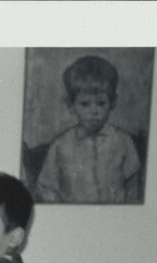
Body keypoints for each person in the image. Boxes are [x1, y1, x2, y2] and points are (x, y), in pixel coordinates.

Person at [35, 54, 141, 203]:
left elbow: (133, 188)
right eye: (85, 104)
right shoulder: (60, 146)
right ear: (71, 105)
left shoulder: (123, 142)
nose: (94, 111)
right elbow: (46, 188)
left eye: (101, 103)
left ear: (113, 102)